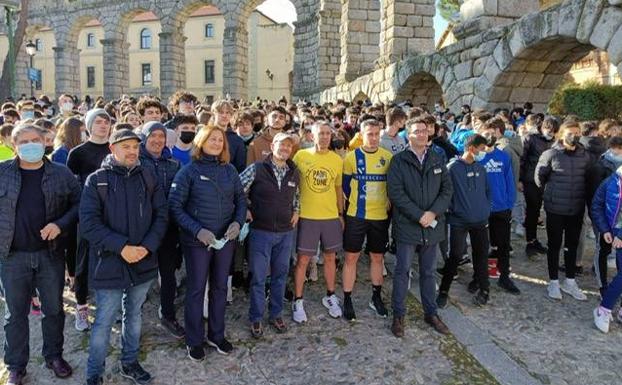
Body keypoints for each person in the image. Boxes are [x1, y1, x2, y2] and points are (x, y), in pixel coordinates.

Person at [80, 129, 168, 385]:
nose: (131, 151)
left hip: (143, 259)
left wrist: (147, 246)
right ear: (112, 149)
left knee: (134, 315)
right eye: (125, 146)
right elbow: (88, 224)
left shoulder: (148, 177)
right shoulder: (97, 181)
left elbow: (161, 215)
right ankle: (94, 373)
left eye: (134, 146)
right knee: (105, 321)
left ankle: (130, 362)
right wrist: (121, 247)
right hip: (109, 262)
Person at [0, 124, 80, 385]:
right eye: (24, 141)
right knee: (15, 314)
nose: (31, 145)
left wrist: (60, 224)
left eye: (36, 139)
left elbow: (80, 204)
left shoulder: (61, 173)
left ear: (45, 141)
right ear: (14, 145)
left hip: (50, 255)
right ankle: (15, 366)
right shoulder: (2, 173)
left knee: (54, 310)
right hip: (13, 256)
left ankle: (54, 356)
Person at [169, 125, 246, 360]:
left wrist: (237, 223)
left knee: (220, 288)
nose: (216, 143)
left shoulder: (230, 170)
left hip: (225, 240)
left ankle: (216, 334)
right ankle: (194, 340)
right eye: (211, 139)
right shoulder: (188, 171)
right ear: (201, 141)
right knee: (196, 289)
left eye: (220, 140)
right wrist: (197, 230)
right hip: (197, 242)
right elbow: (175, 206)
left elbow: (241, 200)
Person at [388, 117, 453, 337]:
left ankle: (431, 312)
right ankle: (398, 314)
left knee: (428, 272)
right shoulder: (398, 161)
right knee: (402, 271)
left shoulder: (437, 159)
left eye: (425, 131)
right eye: (417, 131)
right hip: (408, 226)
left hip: (432, 226)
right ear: (408, 134)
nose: (422, 134)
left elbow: (447, 191)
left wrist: (432, 213)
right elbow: (396, 193)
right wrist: (419, 215)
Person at [240, 132, 299, 338]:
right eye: (282, 145)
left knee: (280, 275)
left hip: (285, 233)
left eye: (289, 146)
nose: (285, 149)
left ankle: (275, 314)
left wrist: (297, 210)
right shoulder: (257, 168)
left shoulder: (294, 171)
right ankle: (256, 318)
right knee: (258, 277)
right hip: (261, 232)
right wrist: (245, 209)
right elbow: (238, 191)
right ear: (273, 146)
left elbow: (296, 194)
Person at [291, 121, 345, 323]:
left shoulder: (336, 159)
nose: (324, 137)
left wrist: (340, 213)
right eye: (320, 133)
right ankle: (298, 300)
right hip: (307, 216)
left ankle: (330, 295)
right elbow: (292, 185)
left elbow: (338, 188)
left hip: (330, 216)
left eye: (327, 134)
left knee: (331, 258)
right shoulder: (301, 156)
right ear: (311, 136)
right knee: (303, 260)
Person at [66, 108, 112, 332]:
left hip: (113, 213)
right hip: (87, 214)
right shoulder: (77, 153)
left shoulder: (115, 148)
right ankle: (82, 307)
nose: (103, 125)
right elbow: (71, 188)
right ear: (90, 125)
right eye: (99, 122)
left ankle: (112, 307)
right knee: (83, 261)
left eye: (107, 122)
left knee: (112, 259)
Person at [341, 119, 392, 321]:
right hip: (356, 215)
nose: (373, 138)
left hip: (379, 216)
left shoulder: (388, 157)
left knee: (377, 257)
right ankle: (347, 298)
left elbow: (392, 185)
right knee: (351, 257)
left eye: (376, 134)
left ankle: (376, 297)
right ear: (361, 135)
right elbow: (345, 187)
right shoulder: (351, 157)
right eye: (369, 134)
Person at [535, 121, 590, 301]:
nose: (574, 135)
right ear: (561, 134)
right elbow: (539, 177)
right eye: (570, 132)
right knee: (554, 244)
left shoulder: (585, 155)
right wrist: (550, 194)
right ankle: (553, 282)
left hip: (576, 207)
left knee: (572, 245)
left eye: (577, 132)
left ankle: (570, 280)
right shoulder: (551, 153)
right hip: (555, 208)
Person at [139, 122, 183, 338]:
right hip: (142, 229)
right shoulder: (136, 162)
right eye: (152, 136)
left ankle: (167, 314)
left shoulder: (173, 164)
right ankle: (132, 316)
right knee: (138, 274)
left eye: (161, 136)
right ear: (144, 138)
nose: (157, 140)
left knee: (168, 274)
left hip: (167, 228)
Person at [437, 134, 491, 307]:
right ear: (471, 148)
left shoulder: (481, 169)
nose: (484, 152)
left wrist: (485, 209)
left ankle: (484, 289)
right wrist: (452, 209)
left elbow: (486, 191)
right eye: (481, 149)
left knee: (481, 255)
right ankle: (444, 291)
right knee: (455, 256)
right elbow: (444, 191)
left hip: (480, 220)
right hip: (458, 221)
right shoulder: (452, 168)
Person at [479, 119, 520, 293]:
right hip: (481, 209)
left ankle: (504, 276)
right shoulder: (477, 158)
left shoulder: (504, 156)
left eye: (491, 133)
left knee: (503, 244)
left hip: (501, 207)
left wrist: (509, 202)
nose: (489, 136)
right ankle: (479, 277)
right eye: (485, 134)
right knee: (481, 245)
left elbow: (509, 181)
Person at [587, 136, 622, 298]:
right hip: (606, 222)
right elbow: (596, 201)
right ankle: (603, 286)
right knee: (602, 251)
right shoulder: (600, 167)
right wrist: (602, 226)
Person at [520, 116, 557, 257]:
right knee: (532, 211)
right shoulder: (530, 138)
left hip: (546, 180)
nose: (551, 133)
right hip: (530, 180)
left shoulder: (552, 141)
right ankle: (530, 242)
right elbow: (522, 159)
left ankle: (534, 240)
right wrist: (519, 179)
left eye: (554, 131)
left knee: (537, 212)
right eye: (549, 129)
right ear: (542, 127)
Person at [592, 164, 622, 333]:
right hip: (613, 233)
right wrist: (604, 230)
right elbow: (596, 205)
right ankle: (604, 309)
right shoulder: (609, 182)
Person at [212, 100, 246, 173]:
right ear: (213, 114)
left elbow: (240, 168)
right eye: (221, 112)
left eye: (227, 113)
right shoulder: (204, 135)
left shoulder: (237, 140)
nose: (224, 115)